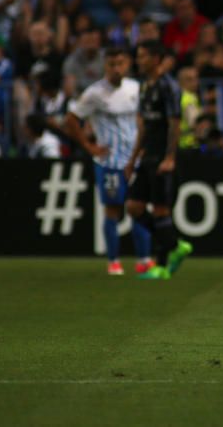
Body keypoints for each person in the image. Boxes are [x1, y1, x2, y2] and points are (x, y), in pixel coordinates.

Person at [64, 47, 151, 276]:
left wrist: (143, 147)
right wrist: (88, 145)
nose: (116, 69)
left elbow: (141, 120)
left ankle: (144, 260)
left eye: (120, 63)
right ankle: (113, 261)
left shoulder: (136, 88)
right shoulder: (95, 93)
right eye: (111, 64)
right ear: (105, 66)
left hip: (134, 160)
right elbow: (71, 119)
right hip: (109, 162)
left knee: (138, 206)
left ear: (127, 64)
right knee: (113, 210)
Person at [125, 41, 193, 280]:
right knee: (133, 206)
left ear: (156, 58)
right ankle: (175, 245)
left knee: (160, 210)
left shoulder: (168, 87)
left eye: (143, 56)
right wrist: (133, 158)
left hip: (163, 156)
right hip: (147, 155)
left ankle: (161, 266)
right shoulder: (145, 87)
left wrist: (170, 157)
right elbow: (143, 126)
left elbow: (175, 123)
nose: (138, 60)